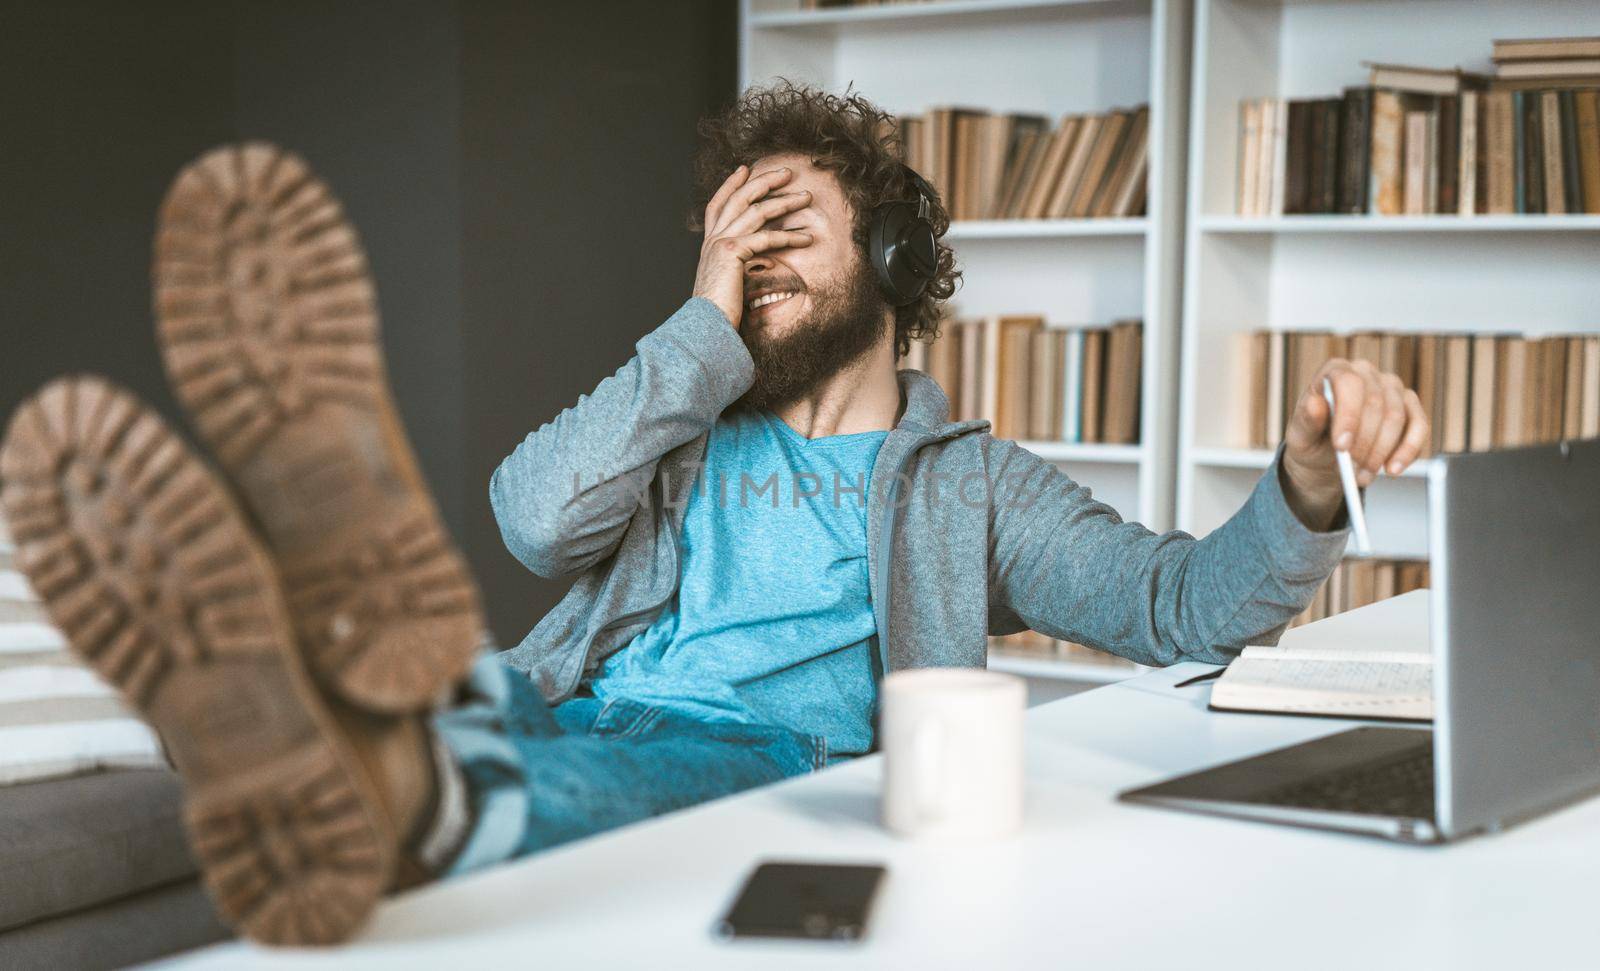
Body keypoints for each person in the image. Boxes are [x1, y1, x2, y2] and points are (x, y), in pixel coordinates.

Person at [0, 81, 1428, 948]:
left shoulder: (970, 480)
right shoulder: (687, 416)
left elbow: (1176, 606)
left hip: (757, 757)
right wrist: (703, 320)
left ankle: (372, 768)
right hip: (566, 699)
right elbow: (531, 524)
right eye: (731, 231)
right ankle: (324, 730)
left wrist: (1307, 489)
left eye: (785, 225)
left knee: (574, 791)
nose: (753, 257)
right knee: (477, 721)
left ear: (890, 254)